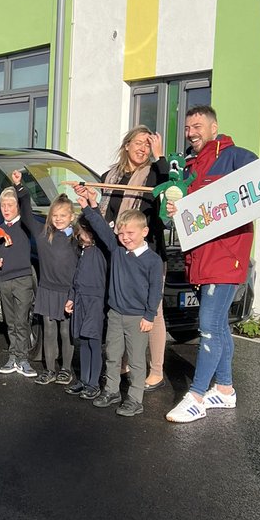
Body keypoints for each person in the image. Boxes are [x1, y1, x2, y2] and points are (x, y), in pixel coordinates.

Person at [165, 105, 260, 423]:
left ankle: (197, 396)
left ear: (214, 128)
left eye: (198, 126)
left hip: (227, 256)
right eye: (188, 127)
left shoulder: (235, 156)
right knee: (219, 326)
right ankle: (225, 390)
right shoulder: (187, 166)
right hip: (199, 257)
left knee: (208, 326)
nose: (191, 132)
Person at [74, 185, 163, 418]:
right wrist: (88, 206)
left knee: (135, 361)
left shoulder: (152, 261)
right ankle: (111, 390)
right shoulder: (117, 250)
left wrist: (149, 316)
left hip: (137, 318)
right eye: (122, 234)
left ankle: (135, 399)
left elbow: (155, 290)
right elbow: (102, 228)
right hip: (115, 314)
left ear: (144, 232)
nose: (125, 238)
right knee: (113, 355)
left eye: (130, 233)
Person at [98, 126, 169, 390]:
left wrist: (160, 158)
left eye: (147, 145)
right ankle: (125, 363)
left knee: (154, 310)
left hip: (147, 252)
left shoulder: (153, 173)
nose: (142, 148)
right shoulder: (109, 176)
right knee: (123, 308)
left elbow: (170, 185)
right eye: (138, 143)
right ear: (126, 145)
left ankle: (157, 370)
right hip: (119, 253)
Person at [0, 171, 39, 379]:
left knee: (22, 320)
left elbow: (26, 203)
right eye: (3, 206)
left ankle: (24, 359)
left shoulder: (24, 225)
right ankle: (13, 357)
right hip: (5, 280)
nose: (7, 209)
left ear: (17, 207)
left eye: (11, 205)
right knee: (10, 322)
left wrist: (19, 186)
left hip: (22, 279)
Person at [29, 190, 78, 386]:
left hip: (67, 292)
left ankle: (66, 370)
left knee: (66, 332)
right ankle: (50, 370)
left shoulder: (77, 239)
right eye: (55, 216)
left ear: (71, 217)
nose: (58, 219)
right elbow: (25, 214)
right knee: (49, 331)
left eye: (63, 215)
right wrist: (20, 188)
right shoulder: (44, 236)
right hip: (47, 290)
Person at [66, 214, 109, 399]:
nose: (81, 237)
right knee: (83, 341)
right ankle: (84, 380)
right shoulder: (82, 251)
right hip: (81, 300)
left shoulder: (101, 249)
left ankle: (93, 383)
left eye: (83, 233)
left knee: (93, 342)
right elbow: (76, 279)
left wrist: (89, 208)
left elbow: (102, 231)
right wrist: (71, 298)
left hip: (96, 301)